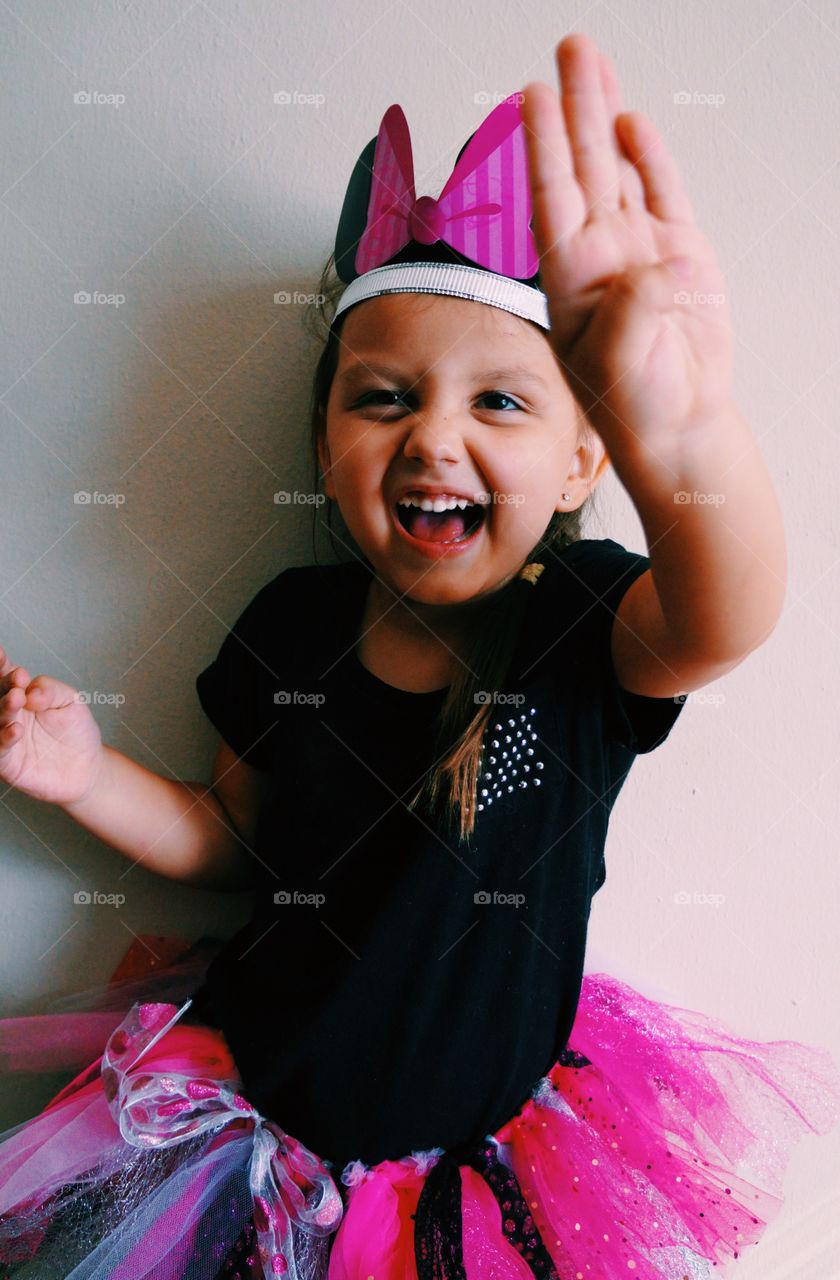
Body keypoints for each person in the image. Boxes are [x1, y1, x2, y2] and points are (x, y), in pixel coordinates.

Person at [0, 31, 837, 1280]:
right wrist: (83, 774)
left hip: (475, 1163)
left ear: (581, 458)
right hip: (255, 1125)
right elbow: (235, 841)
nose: (432, 437)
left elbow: (730, 613)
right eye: (382, 397)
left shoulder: (582, 624)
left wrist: (686, 430)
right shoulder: (292, 623)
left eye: (499, 400)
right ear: (326, 434)